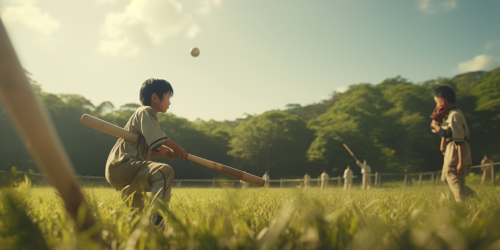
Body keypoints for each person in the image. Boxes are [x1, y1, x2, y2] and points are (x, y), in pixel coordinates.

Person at [105, 78, 186, 226]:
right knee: (164, 172)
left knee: (138, 216)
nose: (169, 102)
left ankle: (141, 235)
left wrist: (164, 152)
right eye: (168, 97)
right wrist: (176, 147)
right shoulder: (145, 111)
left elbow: (145, 150)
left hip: (123, 170)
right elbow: (157, 138)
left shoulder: (145, 119)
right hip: (124, 165)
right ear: (155, 97)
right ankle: (157, 221)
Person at [430, 86, 476, 202]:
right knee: (445, 177)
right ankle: (473, 196)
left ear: (443, 100)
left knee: (453, 177)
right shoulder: (449, 114)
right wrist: (437, 128)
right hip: (451, 148)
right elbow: (446, 133)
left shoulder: (454, 115)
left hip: (457, 148)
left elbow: (459, 139)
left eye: (437, 102)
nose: (436, 106)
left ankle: (462, 202)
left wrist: (460, 162)